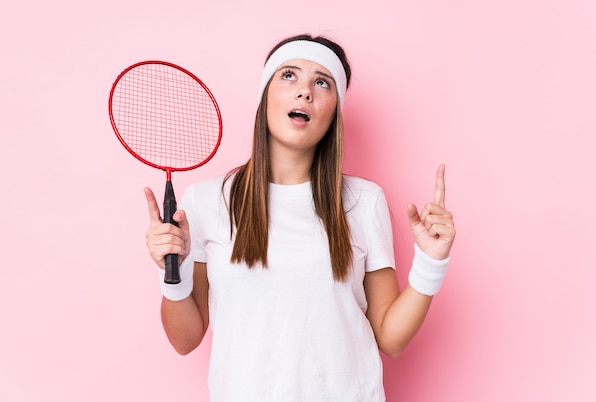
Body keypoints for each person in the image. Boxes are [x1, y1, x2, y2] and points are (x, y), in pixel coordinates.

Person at [144, 34, 455, 401]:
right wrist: (172, 271)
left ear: (333, 112)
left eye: (321, 82)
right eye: (289, 76)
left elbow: (391, 339)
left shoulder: (364, 202)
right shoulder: (206, 201)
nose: (304, 91)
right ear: (266, 96)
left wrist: (431, 264)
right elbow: (185, 340)